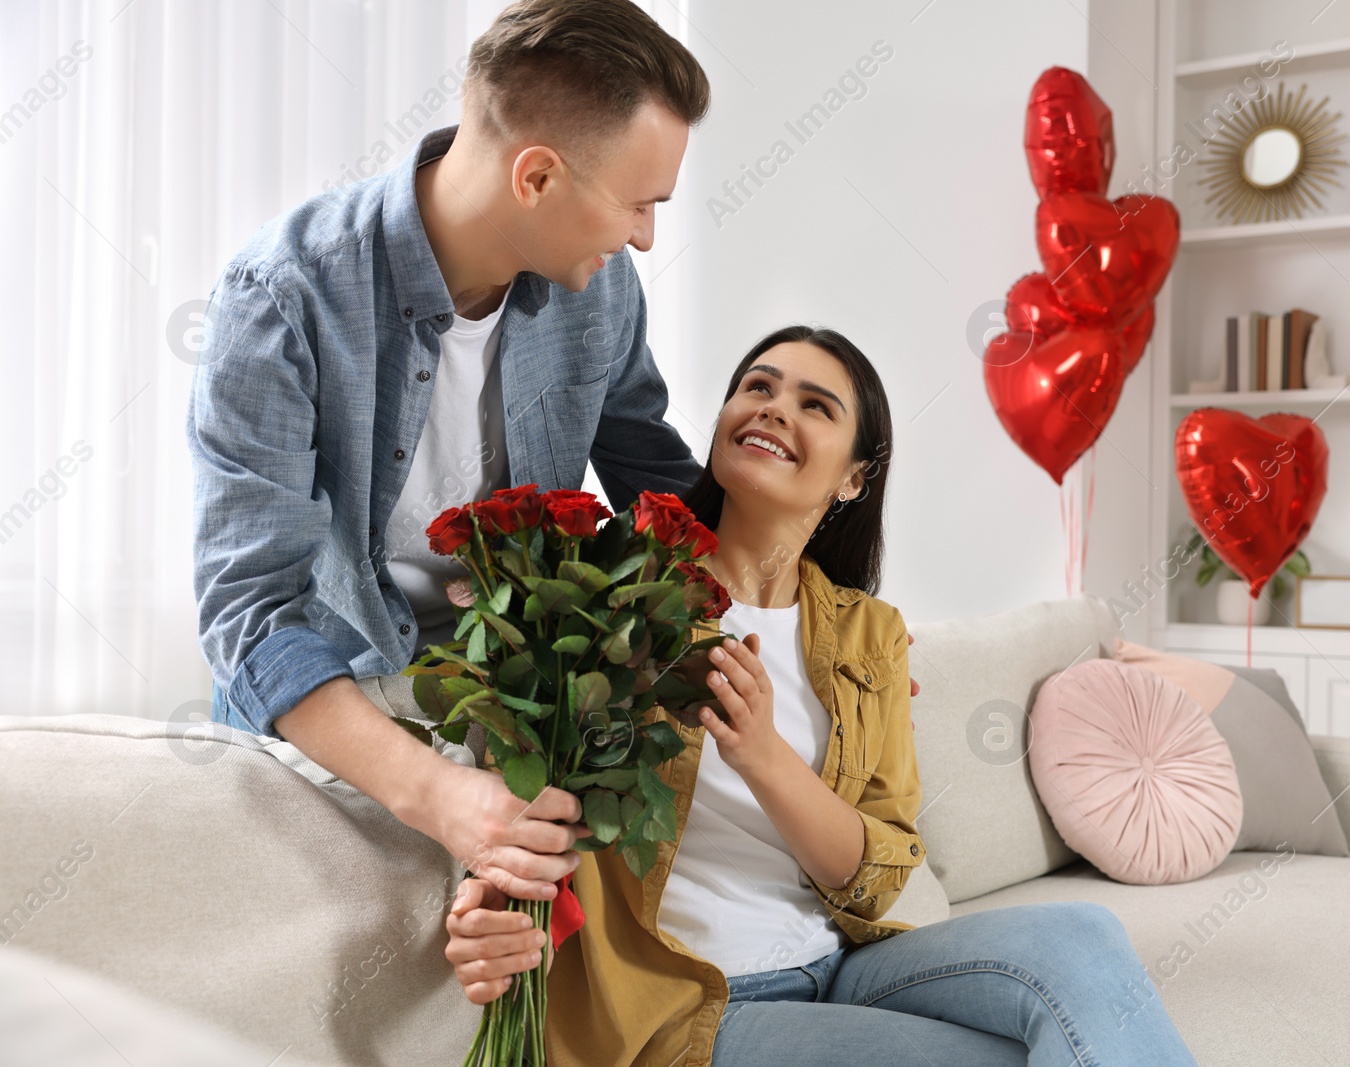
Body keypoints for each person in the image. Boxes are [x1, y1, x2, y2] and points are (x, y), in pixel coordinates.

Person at [444, 326, 1200, 1066]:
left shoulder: (869, 636)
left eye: (816, 404)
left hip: (839, 965)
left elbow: (875, 878)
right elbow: (517, 800)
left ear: (853, 478)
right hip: (687, 1005)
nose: (775, 407)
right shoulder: (609, 597)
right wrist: (487, 907)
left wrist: (765, 757)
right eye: (758, 386)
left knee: (1083, 939)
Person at [187, 0, 712, 902]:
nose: (642, 237)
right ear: (538, 177)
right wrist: (443, 796)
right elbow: (252, 614)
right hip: (332, 727)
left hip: (505, 714)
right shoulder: (282, 297)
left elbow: (665, 494)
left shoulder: (601, 293)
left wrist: (828, 619)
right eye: (637, 203)